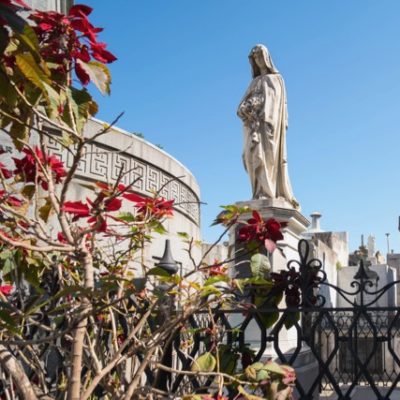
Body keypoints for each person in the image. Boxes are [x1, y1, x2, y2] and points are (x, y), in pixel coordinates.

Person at [237, 44, 296, 205]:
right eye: (254, 57)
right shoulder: (254, 82)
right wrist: (248, 109)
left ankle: (269, 190)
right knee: (250, 156)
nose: (258, 59)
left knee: (267, 157)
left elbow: (280, 105)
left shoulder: (277, 79)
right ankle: (258, 192)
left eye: (260, 55)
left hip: (270, 128)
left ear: (267, 57)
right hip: (253, 126)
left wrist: (265, 112)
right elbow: (240, 107)